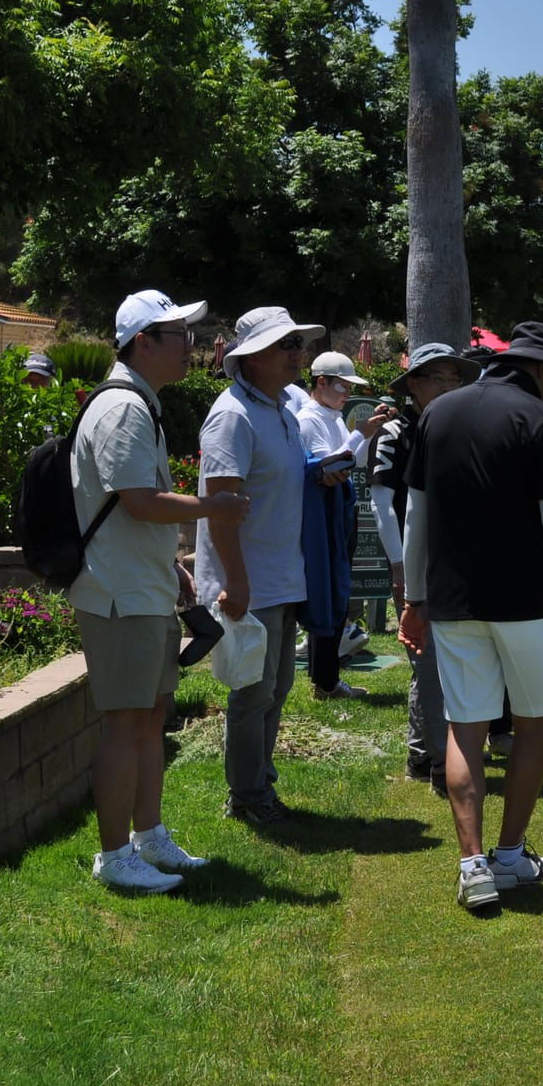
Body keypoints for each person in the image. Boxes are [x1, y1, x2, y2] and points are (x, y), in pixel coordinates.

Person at [397, 322, 543, 912]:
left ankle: (472, 866)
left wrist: (414, 598)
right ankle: (511, 854)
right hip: (524, 601)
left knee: (465, 726)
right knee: (534, 722)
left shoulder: (438, 413)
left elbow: (417, 518)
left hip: (453, 598)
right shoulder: (541, 420)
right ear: (542, 370)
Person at [72, 290, 248, 892]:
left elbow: (130, 506)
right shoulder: (123, 407)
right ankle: (114, 854)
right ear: (142, 342)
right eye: (180, 336)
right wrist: (212, 505)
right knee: (126, 722)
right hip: (119, 595)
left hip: (141, 588)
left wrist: (171, 565)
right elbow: (139, 501)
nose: (191, 348)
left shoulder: (137, 402)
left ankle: (147, 837)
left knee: (149, 717)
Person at [195, 306, 324, 825]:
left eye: (298, 342)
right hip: (250, 581)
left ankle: (258, 785)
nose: (297, 353)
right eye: (285, 345)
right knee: (253, 694)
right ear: (249, 358)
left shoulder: (282, 407)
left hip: (282, 575)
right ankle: (247, 796)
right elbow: (221, 506)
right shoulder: (233, 415)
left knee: (276, 689)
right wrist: (236, 582)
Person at [378, 343, 480, 790]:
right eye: (437, 378)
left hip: (455, 560)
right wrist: (401, 568)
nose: (447, 387)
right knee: (429, 661)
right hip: (415, 563)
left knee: (442, 662)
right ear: (413, 384)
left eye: (453, 379)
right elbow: (383, 505)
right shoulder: (396, 432)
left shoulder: (461, 428)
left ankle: (426, 753)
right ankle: (438, 761)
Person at [296, 351, 391, 700]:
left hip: (340, 508)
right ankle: (324, 679)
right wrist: (359, 434)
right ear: (321, 382)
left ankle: (328, 678)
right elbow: (329, 468)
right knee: (327, 591)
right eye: (342, 385)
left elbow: (353, 461)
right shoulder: (309, 419)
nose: (346, 393)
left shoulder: (332, 416)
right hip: (324, 512)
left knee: (338, 591)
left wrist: (364, 435)